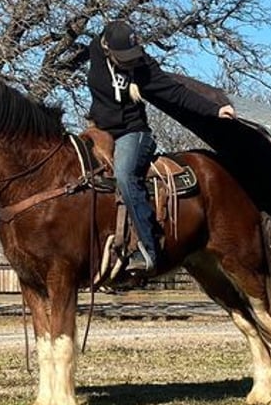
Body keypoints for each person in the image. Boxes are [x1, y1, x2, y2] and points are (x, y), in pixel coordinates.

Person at [87, 20, 236, 274]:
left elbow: (175, 93)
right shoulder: (96, 49)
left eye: (132, 55)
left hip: (132, 133)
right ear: (106, 47)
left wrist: (214, 109)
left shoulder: (142, 66)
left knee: (124, 174)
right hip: (98, 130)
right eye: (123, 57)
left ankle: (147, 248)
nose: (129, 61)